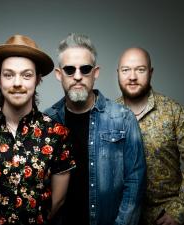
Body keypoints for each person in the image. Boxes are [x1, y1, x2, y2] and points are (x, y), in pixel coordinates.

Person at [0, 34, 76, 225]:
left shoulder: (57, 134)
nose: (17, 83)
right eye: (8, 74)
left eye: (26, 75)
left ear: (38, 79)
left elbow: (57, 200)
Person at [45, 33, 146, 225]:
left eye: (85, 69)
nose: (77, 76)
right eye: (69, 70)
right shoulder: (47, 120)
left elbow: (135, 182)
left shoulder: (123, 118)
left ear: (96, 72)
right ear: (59, 74)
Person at [116, 47, 184, 225]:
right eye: (126, 70)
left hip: (165, 216)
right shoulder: (108, 114)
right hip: (121, 216)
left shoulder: (174, 111)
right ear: (118, 73)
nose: (132, 76)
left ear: (150, 73)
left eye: (140, 69)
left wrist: (179, 211)